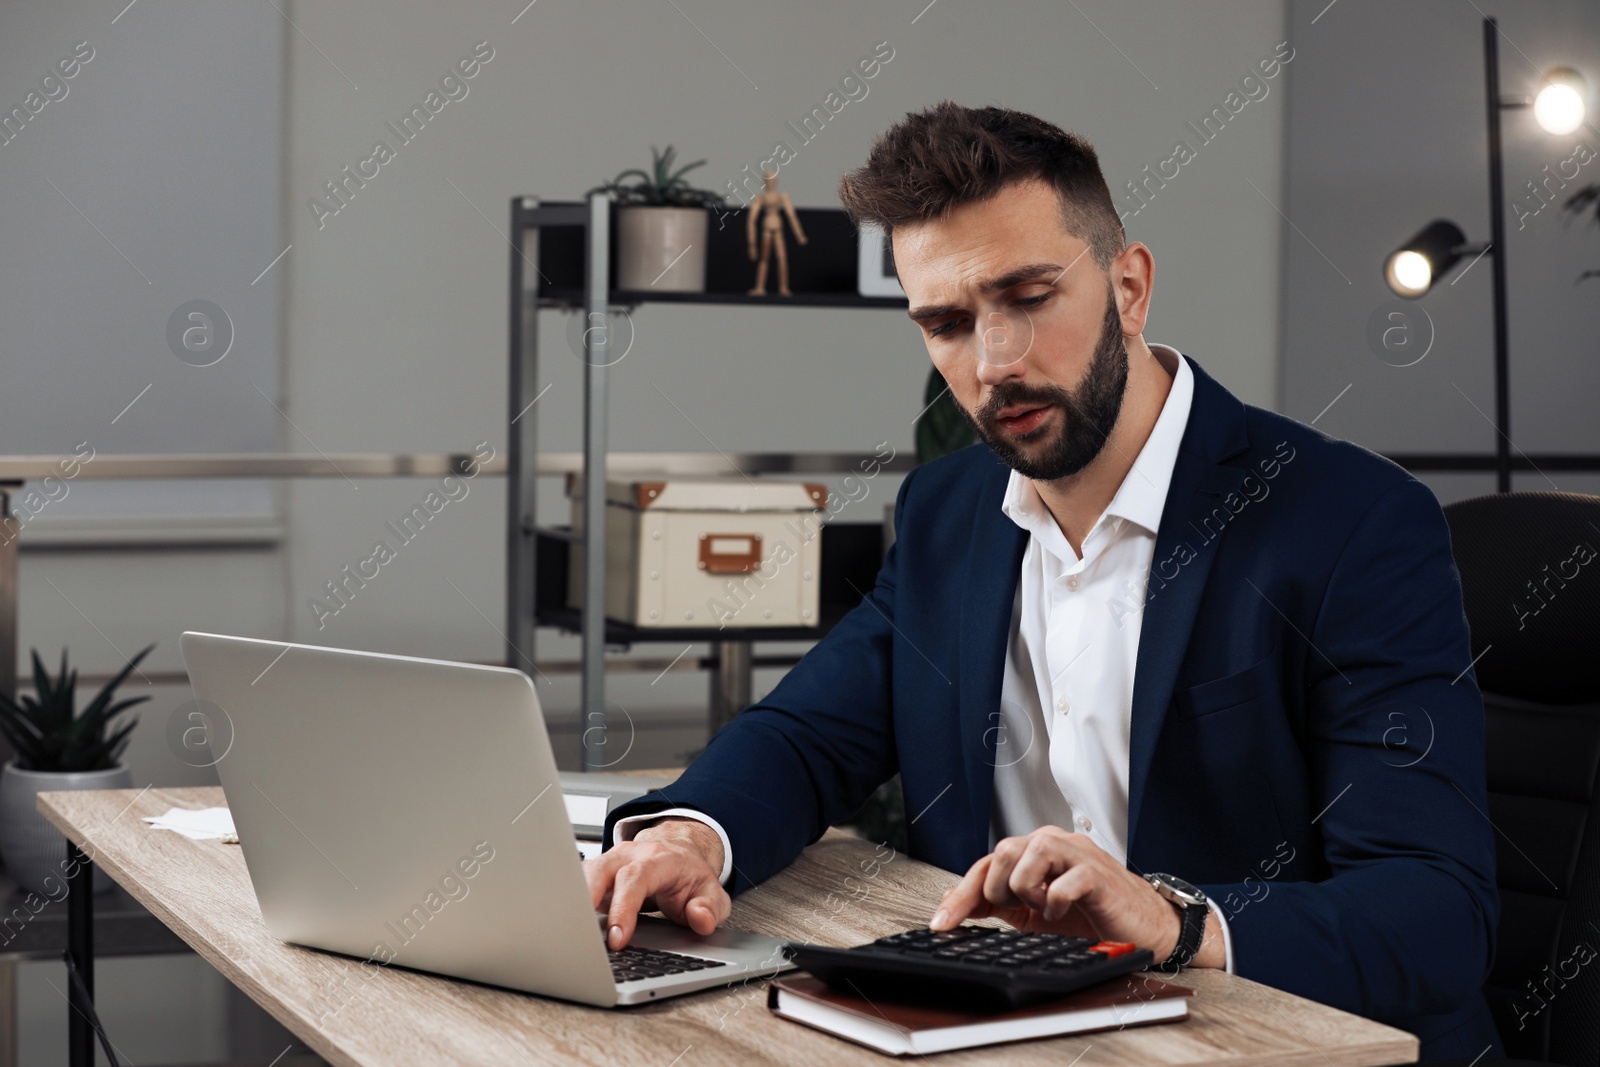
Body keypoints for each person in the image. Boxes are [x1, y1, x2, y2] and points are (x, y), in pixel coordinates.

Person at [584, 101, 1500, 1059]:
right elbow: (810, 733)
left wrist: (1174, 920)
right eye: (946, 322)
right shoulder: (950, 511)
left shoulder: (1350, 521)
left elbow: (1436, 911)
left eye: (1027, 297)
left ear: (1131, 287)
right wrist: (686, 838)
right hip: (1018, 1034)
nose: (993, 364)